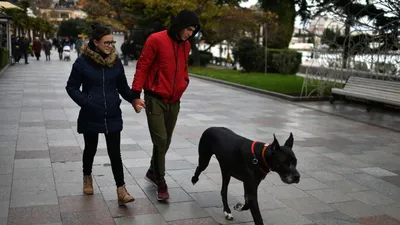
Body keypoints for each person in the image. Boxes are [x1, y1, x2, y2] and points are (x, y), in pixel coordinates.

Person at [131, 9, 200, 201]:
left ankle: (153, 171)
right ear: (179, 26)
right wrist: (135, 94)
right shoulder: (156, 40)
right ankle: (161, 181)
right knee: (160, 141)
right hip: (155, 98)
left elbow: (183, 68)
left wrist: (184, 83)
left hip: (174, 100)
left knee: (166, 141)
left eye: (193, 30)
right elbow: (143, 66)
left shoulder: (185, 46)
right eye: (188, 29)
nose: (190, 34)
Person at [65, 23, 136, 205]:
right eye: (106, 43)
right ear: (95, 42)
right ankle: (87, 176)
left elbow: (122, 87)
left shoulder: (115, 61)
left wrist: (134, 99)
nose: (110, 46)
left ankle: (121, 189)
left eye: (112, 42)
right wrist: (87, 102)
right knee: (91, 148)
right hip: (91, 113)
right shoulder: (82, 62)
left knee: (115, 152)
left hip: (112, 112)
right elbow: (71, 87)